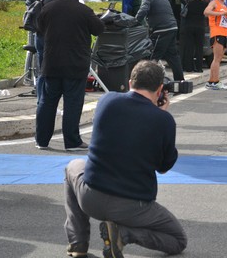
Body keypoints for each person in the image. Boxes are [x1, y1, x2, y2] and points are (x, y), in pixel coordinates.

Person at [63, 60, 187, 258]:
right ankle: (124, 234)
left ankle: (78, 244)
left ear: (130, 82)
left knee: (73, 166)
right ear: (160, 89)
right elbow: (163, 167)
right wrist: (161, 113)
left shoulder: (106, 101)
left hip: (92, 197)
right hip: (133, 206)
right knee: (178, 240)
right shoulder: (163, 121)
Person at [35, 0, 105, 151]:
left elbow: (40, 29)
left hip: (51, 63)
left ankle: (42, 140)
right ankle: (72, 141)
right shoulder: (84, 11)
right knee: (72, 103)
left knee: (47, 102)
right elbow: (99, 29)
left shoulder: (48, 8)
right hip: (75, 64)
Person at [135, 0, 185, 81]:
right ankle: (180, 81)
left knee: (153, 55)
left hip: (161, 30)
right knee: (173, 57)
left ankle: (145, 81)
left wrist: (134, 22)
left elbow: (143, 10)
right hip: (172, 27)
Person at [204, 0, 227, 90]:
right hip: (217, 33)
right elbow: (206, 12)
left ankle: (212, 81)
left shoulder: (224, 6)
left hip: (224, 33)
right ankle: (215, 81)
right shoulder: (214, 3)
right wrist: (218, 14)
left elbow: (224, 21)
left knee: (219, 58)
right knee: (216, 58)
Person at [180, 0, 208, 72]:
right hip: (200, 27)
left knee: (189, 47)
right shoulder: (205, 4)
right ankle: (199, 68)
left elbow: (184, 14)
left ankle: (189, 67)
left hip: (189, 27)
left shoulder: (189, 3)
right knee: (199, 48)